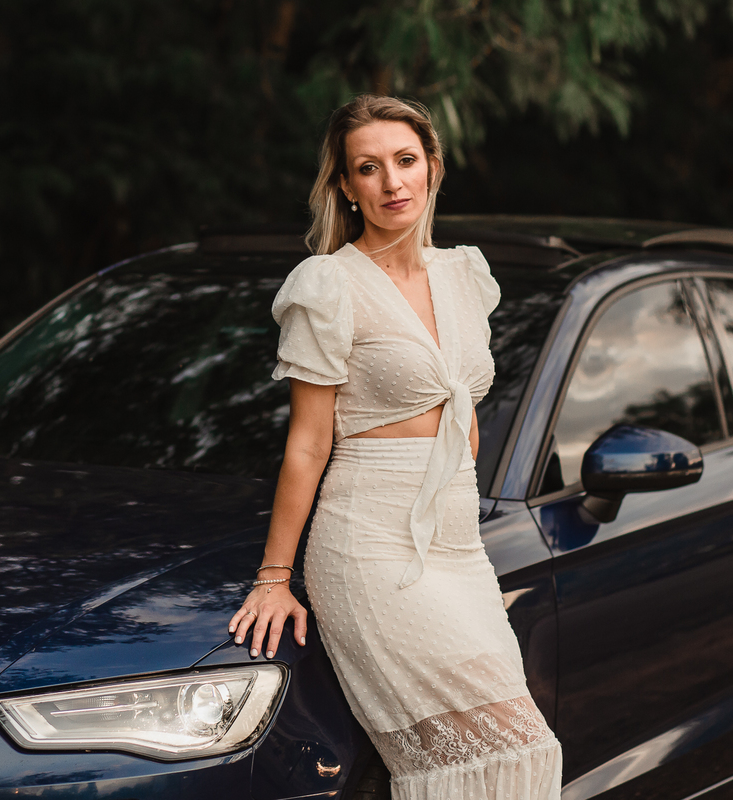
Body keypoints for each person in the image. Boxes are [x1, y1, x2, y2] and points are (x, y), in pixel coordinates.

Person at [228, 94, 562, 800]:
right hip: (370, 546)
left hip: (458, 550)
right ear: (346, 186)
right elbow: (308, 444)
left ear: (432, 166)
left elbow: (463, 412)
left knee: (515, 761)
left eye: (405, 161)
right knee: (508, 748)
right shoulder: (329, 285)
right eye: (368, 168)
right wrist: (274, 576)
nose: (391, 182)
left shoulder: (463, 275)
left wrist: (463, 513)